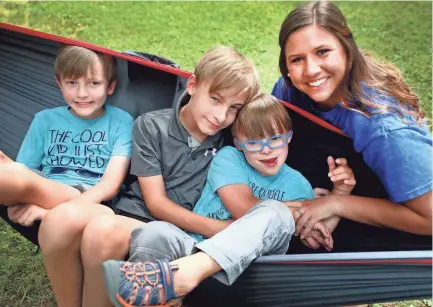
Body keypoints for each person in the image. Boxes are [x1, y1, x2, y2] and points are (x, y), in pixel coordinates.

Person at [37, 45, 261, 307]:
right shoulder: (152, 126)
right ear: (192, 85)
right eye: (215, 99)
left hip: (167, 233)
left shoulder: (231, 146)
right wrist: (219, 230)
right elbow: (155, 203)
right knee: (58, 222)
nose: (222, 116)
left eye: (234, 108)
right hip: (131, 210)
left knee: (102, 232)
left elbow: (270, 166)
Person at [101, 93, 356, 307]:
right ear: (238, 144)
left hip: (253, 267)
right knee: (153, 232)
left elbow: (313, 235)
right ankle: (168, 288)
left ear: (289, 136)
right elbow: (242, 207)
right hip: (195, 246)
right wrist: (299, 208)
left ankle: (181, 277)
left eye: (275, 139)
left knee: (274, 213)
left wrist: (337, 197)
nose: (266, 150)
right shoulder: (229, 158)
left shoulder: (298, 184)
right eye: (254, 143)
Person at [272, 1, 432, 253]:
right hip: (323, 185)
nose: (311, 70)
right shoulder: (289, 91)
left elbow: (430, 219)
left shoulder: (386, 132)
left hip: (389, 217)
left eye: (323, 51)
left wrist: (336, 204)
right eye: (297, 59)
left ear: (347, 52)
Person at [0, 45, 133, 226]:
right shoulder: (45, 119)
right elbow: (25, 170)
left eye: (93, 83)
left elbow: (110, 185)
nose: (82, 93)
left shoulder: (121, 121)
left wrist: (47, 213)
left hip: (88, 196)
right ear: (59, 83)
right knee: (11, 171)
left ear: (110, 86)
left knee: (10, 173)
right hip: (43, 185)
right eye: (72, 83)